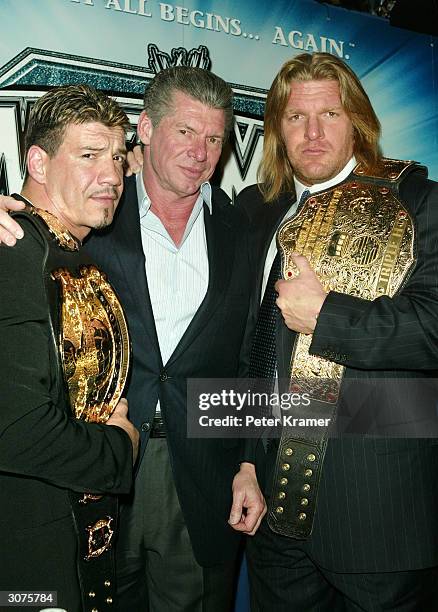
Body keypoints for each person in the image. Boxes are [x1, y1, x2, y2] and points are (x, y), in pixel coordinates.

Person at [0, 66, 266, 611]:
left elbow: (248, 358)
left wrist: (249, 462)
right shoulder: (91, 217)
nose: (200, 151)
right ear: (146, 128)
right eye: (186, 131)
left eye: (215, 137)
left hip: (200, 475)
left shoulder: (242, 230)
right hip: (83, 479)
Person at [237, 52, 438, 611]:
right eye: (296, 117)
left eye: (330, 114)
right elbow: (255, 352)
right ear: (278, 128)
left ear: (359, 124)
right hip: (276, 520)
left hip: (378, 521)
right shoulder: (260, 211)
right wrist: (250, 462)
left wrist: (327, 318)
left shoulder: (421, 204)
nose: (314, 132)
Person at [0, 84, 139, 611]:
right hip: (26, 565)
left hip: (71, 546)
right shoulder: (13, 248)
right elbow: (13, 429)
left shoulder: (66, 251)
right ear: (38, 161)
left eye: (118, 157)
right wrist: (120, 449)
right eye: (88, 156)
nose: (111, 176)